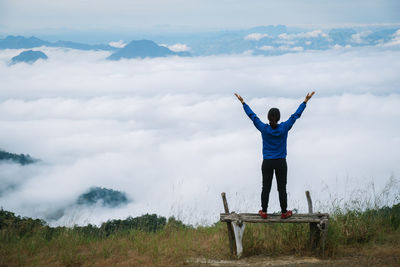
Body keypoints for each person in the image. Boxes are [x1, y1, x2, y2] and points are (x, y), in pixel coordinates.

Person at [234, 91, 315, 219]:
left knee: (265, 187)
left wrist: (243, 103)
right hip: (281, 162)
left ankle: (264, 211)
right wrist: (305, 101)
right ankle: (284, 212)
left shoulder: (264, 129)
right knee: (281, 188)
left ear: (268, 117)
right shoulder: (284, 128)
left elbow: (253, 117)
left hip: (267, 162)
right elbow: (295, 116)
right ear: (278, 117)